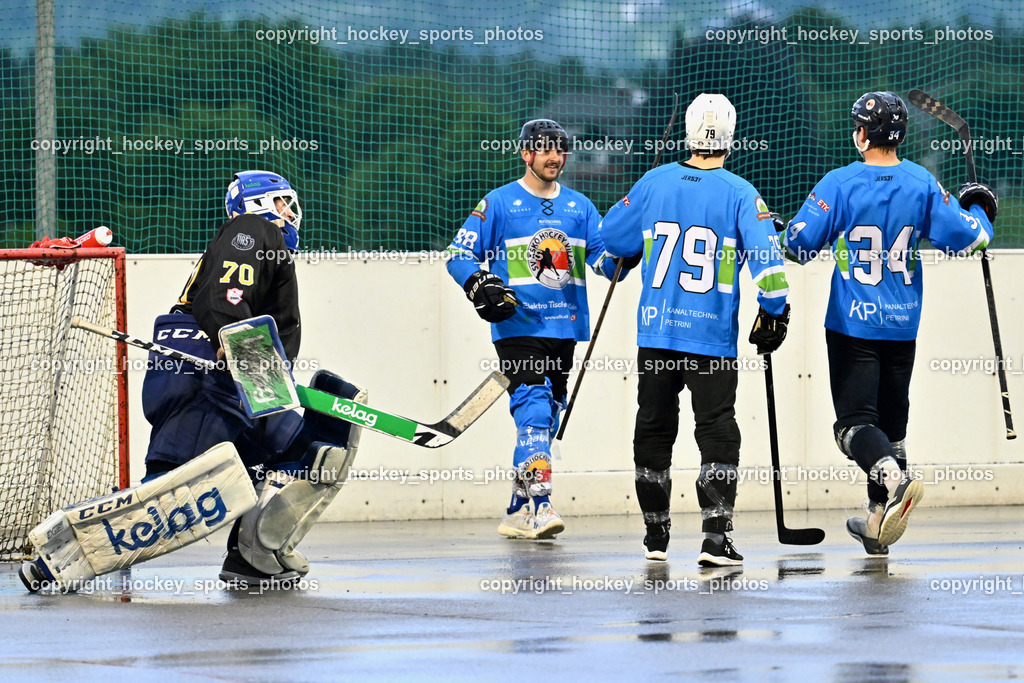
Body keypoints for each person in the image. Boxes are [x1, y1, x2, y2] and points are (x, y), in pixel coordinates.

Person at [20, 170, 365, 592]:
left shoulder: (262, 240)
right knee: (166, 496)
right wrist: (240, 349)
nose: (288, 213)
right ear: (258, 205)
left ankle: (254, 558)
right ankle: (59, 556)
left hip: (225, 380)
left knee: (309, 452)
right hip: (211, 379)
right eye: (280, 202)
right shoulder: (252, 228)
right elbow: (225, 297)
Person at [782, 91, 997, 555]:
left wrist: (780, 229)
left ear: (863, 134)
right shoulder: (921, 182)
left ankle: (894, 484)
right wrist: (980, 206)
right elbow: (972, 238)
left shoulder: (840, 183)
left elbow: (797, 247)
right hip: (902, 325)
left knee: (854, 427)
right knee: (892, 431)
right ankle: (878, 521)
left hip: (852, 325)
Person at [600, 93, 791, 566]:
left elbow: (613, 242)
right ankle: (714, 538)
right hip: (710, 337)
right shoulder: (743, 193)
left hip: (657, 334)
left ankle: (655, 538)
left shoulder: (653, 181)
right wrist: (775, 310)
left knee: (654, 428)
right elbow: (769, 267)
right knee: (717, 431)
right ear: (730, 135)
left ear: (688, 132)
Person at [446, 119, 637, 540]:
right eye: (544, 149)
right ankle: (541, 505)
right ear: (525, 153)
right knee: (532, 408)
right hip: (516, 326)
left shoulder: (580, 208)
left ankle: (516, 506)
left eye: (560, 149)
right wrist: (479, 283)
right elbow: (458, 254)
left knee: (547, 415)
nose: (554, 157)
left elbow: (606, 263)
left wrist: (628, 253)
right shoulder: (498, 203)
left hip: (564, 327)